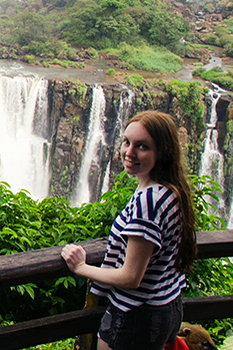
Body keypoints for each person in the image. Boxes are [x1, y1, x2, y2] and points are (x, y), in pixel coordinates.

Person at [61, 111, 198, 350]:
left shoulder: (149, 202)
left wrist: (82, 268)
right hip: (167, 307)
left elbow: (131, 277)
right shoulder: (171, 192)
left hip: (136, 318)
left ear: (162, 153)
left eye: (142, 146)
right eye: (126, 142)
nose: (129, 152)